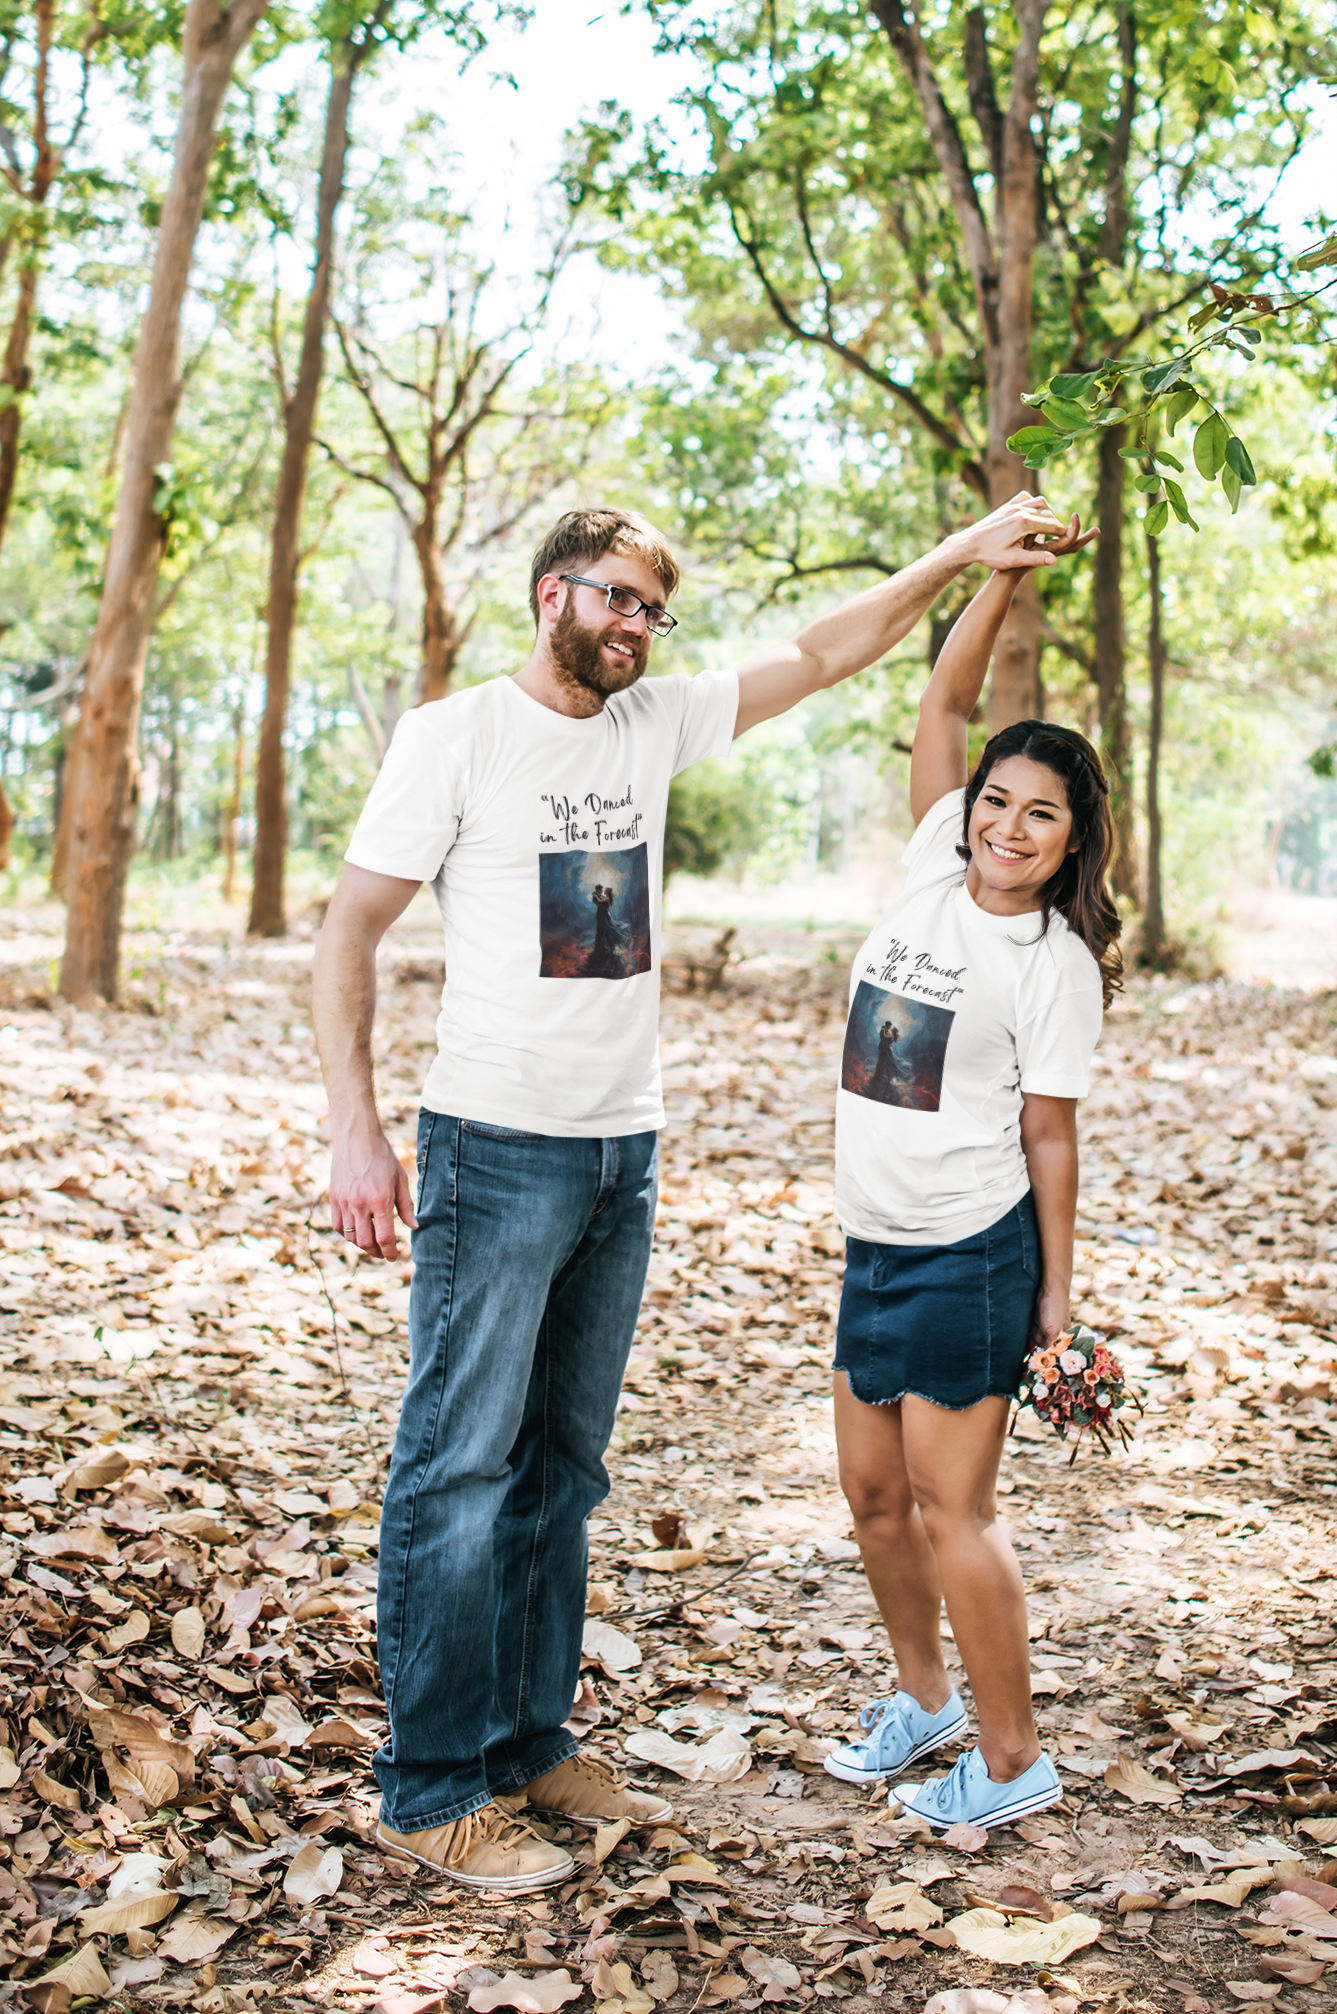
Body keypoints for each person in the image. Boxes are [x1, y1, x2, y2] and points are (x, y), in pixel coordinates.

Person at [312, 495, 1077, 1895]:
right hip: (495, 1142)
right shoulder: (454, 735)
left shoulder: (651, 721)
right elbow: (348, 930)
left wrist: (965, 553)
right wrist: (355, 1132)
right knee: (458, 1466)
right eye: (616, 597)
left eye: (654, 609)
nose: (637, 626)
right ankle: (430, 1787)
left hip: (622, 1151)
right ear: (551, 593)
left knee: (562, 1470)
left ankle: (528, 1743)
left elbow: (827, 651)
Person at [821, 518, 1125, 1832]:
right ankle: (925, 1699)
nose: (1007, 823)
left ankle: (1011, 1762)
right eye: (997, 799)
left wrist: (1054, 1297)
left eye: (1040, 812)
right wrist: (1000, 575)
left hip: (969, 1251)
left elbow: (1050, 1135)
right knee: (875, 1498)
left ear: (1074, 838)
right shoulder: (931, 864)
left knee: (957, 1509)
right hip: (874, 1242)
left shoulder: (1054, 966)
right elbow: (944, 700)